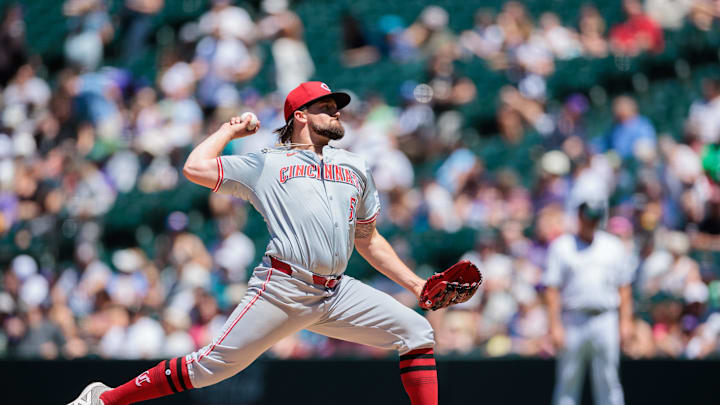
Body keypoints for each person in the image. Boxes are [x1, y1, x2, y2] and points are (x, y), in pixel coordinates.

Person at [66, 81, 438, 405]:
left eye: (337, 107)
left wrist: (418, 285)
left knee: (417, 331)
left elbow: (368, 239)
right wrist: (231, 130)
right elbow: (194, 167)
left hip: (336, 293)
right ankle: (106, 398)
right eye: (325, 107)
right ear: (300, 115)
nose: (336, 112)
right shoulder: (267, 163)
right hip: (283, 288)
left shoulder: (356, 166)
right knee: (209, 367)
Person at [543, 200, 634, 405]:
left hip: (606, 318)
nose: (590, 223)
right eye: (587, 218)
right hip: (573, 319)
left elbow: (624, 288)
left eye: (594, 218)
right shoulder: (562, 247)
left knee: (608, 379)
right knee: (568, 379)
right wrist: (555, 325)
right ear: (579, 218)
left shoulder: (613, 246)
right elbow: (552, 290)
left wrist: (626, 322)